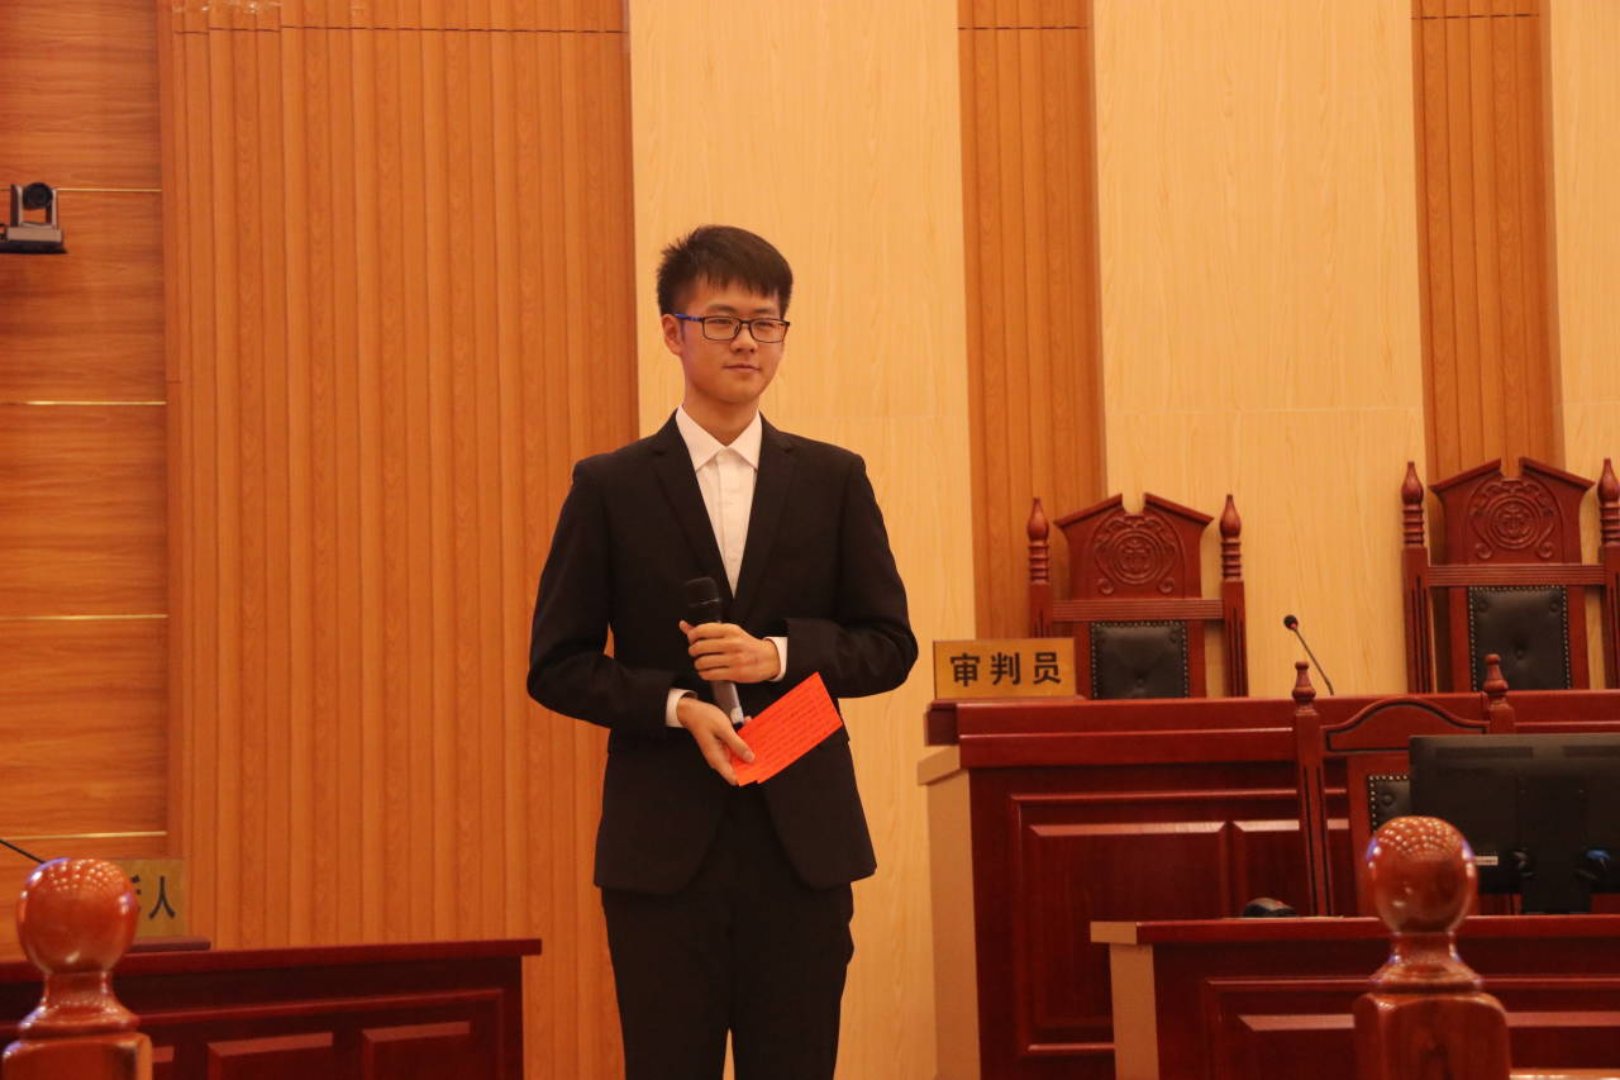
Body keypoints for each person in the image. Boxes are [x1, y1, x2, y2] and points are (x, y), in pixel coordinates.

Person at [527, 224, 917, 1080]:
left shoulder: (834, 479)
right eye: (723, 320)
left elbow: (890, 646)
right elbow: (556, 663)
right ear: (673, 332)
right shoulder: (610, 486)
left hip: (803, 845)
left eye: (765, 323)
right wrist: (676, 708)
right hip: (663, 851)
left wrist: (778, 656)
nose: (747, 341)